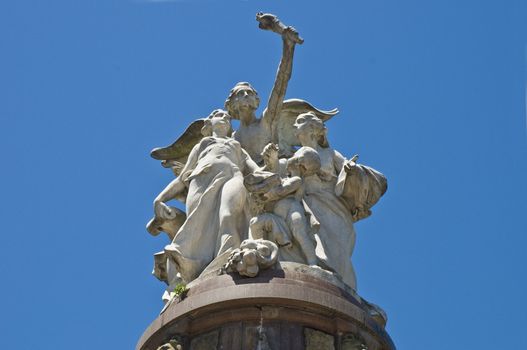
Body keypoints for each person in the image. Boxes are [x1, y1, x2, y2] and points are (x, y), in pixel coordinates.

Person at [153, 109, 259, 285]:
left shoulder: (236, 146)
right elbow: (181, 179)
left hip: (232, 177)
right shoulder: (202, 145)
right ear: (208, 124)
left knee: (228, 215)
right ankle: (201, 267)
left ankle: (229, 258)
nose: (225, 118)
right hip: (200, 183)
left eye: (227, 117)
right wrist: (160, 199)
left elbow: (255, 169)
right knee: (198, 224)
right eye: (219, 115)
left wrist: (275, 166)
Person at [293, 112, 387, 290]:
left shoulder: (329, 153)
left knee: (339, 250)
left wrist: (351, 170)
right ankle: (321, 273)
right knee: (315, 240)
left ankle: (342, 288)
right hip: (309, 205)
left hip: (335, 208)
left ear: (312, 129)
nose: (293, 127)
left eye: (298, 122)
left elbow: (348, 169)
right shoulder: (294, 155)